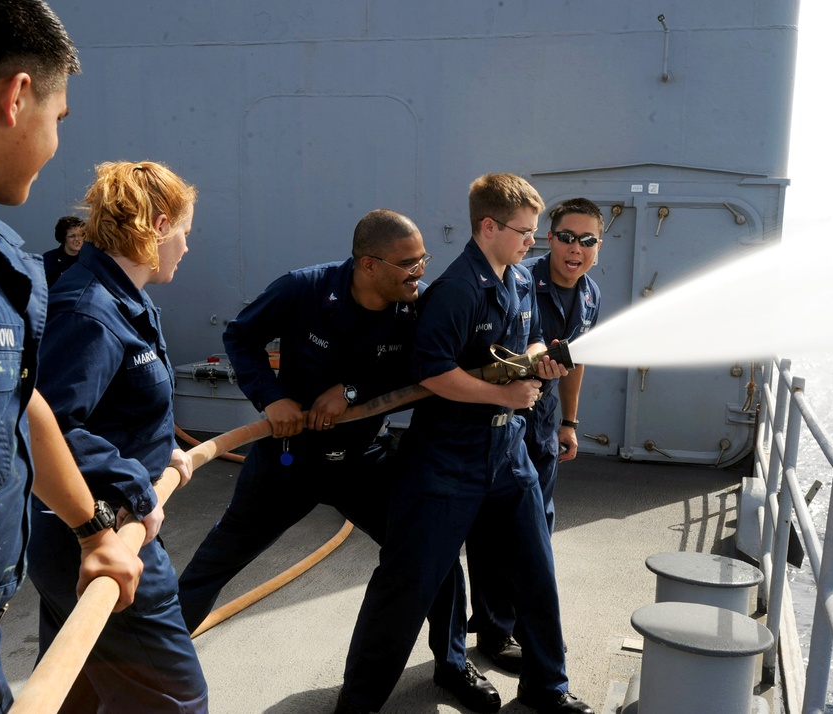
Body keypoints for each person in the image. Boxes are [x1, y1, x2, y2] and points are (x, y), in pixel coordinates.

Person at [0, 4, 142, 713]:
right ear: (15, 97)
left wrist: (92, 529)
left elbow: (16, 399)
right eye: (59, 118)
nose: (54, 144)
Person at [178, 209, 500, 712]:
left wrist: (350, 390)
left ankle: (453, 663)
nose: (420, 272)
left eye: (423, 260)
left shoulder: (414, 308)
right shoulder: (302, 290)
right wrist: (271, 398)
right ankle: (150, 665)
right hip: (288, 460)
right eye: (409, 263)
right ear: (368, 265)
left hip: (363, 461)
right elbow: (241, 337)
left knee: (430, 550)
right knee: (213, 564)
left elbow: (416, 371)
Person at [337, 174, 595, 714]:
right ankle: (359, 704)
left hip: (509, 458)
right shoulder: (454, 291)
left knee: (537, 575)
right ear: (488, 226)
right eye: (524, 232)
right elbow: (432, 373)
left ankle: (548, 688)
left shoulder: (520, 279)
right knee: (407, 587)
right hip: (445, 464)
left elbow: (521, 338)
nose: (533, 242)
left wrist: (535, 359)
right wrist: (501, 396)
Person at [28, 161, 207, 712]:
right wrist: (134, 485)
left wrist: (161, 451)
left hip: (93, 534)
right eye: (185, 232)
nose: (186, 247)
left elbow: (119, 404)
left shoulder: (126, 298)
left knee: (78, 694)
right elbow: (46, 426)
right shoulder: (90, 311)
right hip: (101, 534)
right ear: (158, 225)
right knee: (175, 700)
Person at [467, 198, 603, 673]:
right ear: (550, 238)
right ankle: (493, 631)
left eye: (587, 241)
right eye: (567, 236)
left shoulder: (589, 296)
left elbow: (576, 359)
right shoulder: (521, 280)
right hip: (504, 424)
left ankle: (523, 624)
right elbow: (499, 354)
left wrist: (570, 422)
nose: (575, 248)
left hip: (543, 429)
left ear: (598, 247)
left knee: (537, 531)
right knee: (494, 533)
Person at [43, 214, 86, 287]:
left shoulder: (89, 259)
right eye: (72, 236)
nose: (77, 239)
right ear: (63, 238)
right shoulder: (49, 259)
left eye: (81, 235)